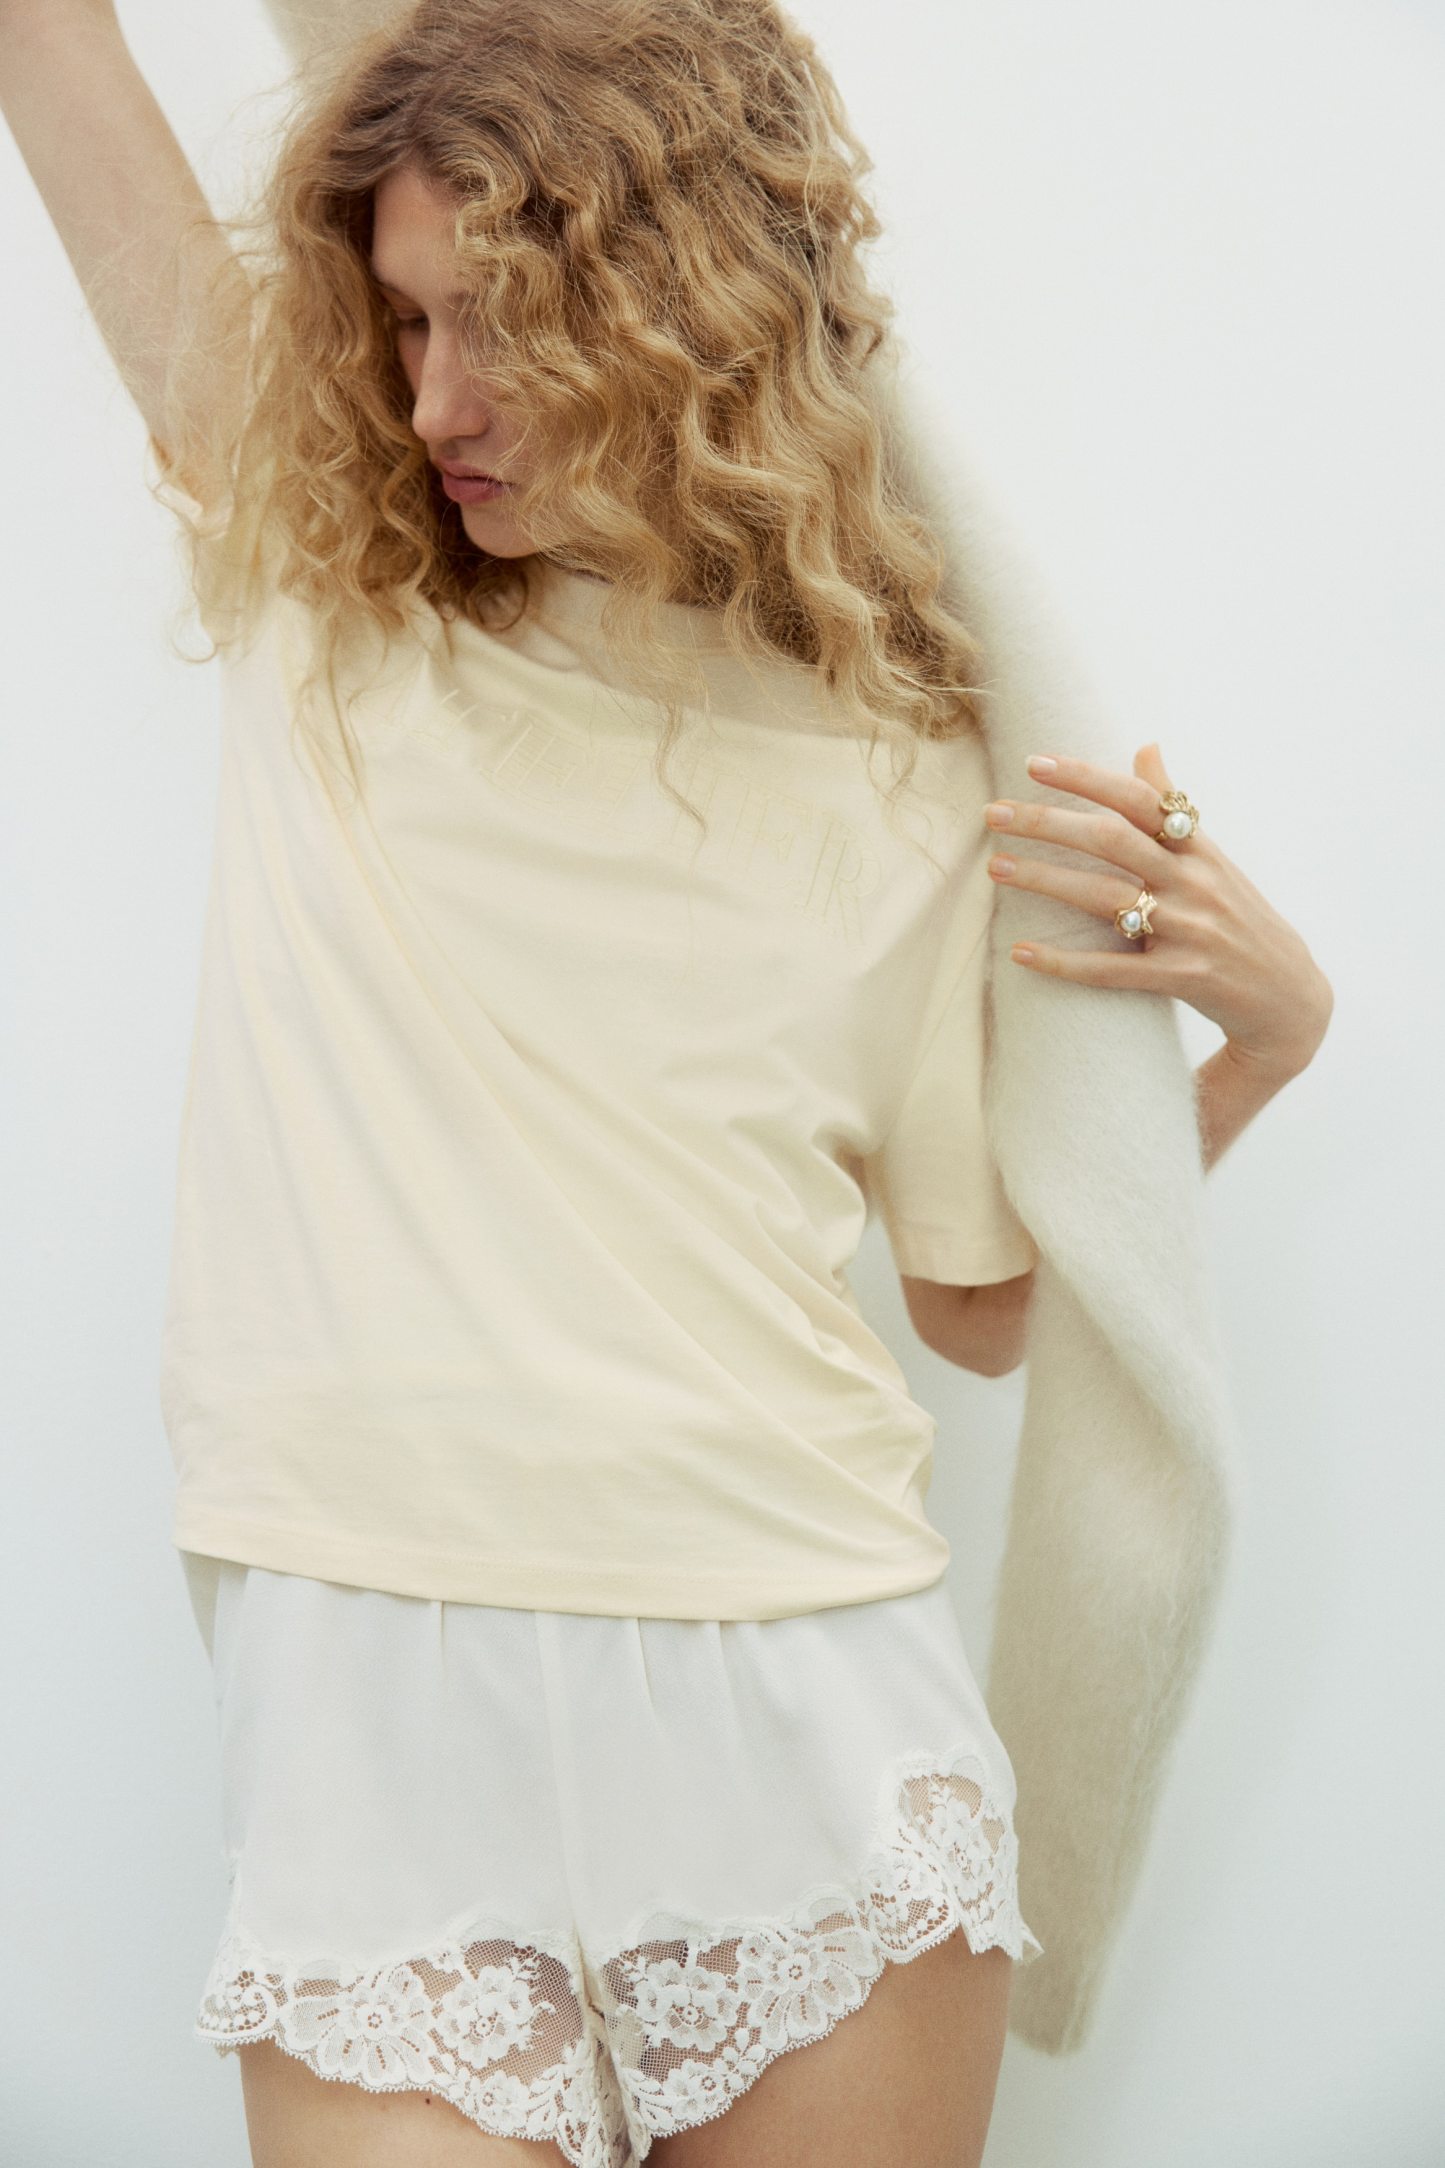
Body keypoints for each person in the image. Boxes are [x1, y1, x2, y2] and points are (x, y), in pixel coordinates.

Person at [1, 1, 1333, 2162]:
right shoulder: (330, 603)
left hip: (807, 1700)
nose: (429, 400)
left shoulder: (898, 762)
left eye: (494, 326)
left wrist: (1255, 1055)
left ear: (674, 311)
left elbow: (982, 1309)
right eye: (402, 318)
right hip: (368, 1702)